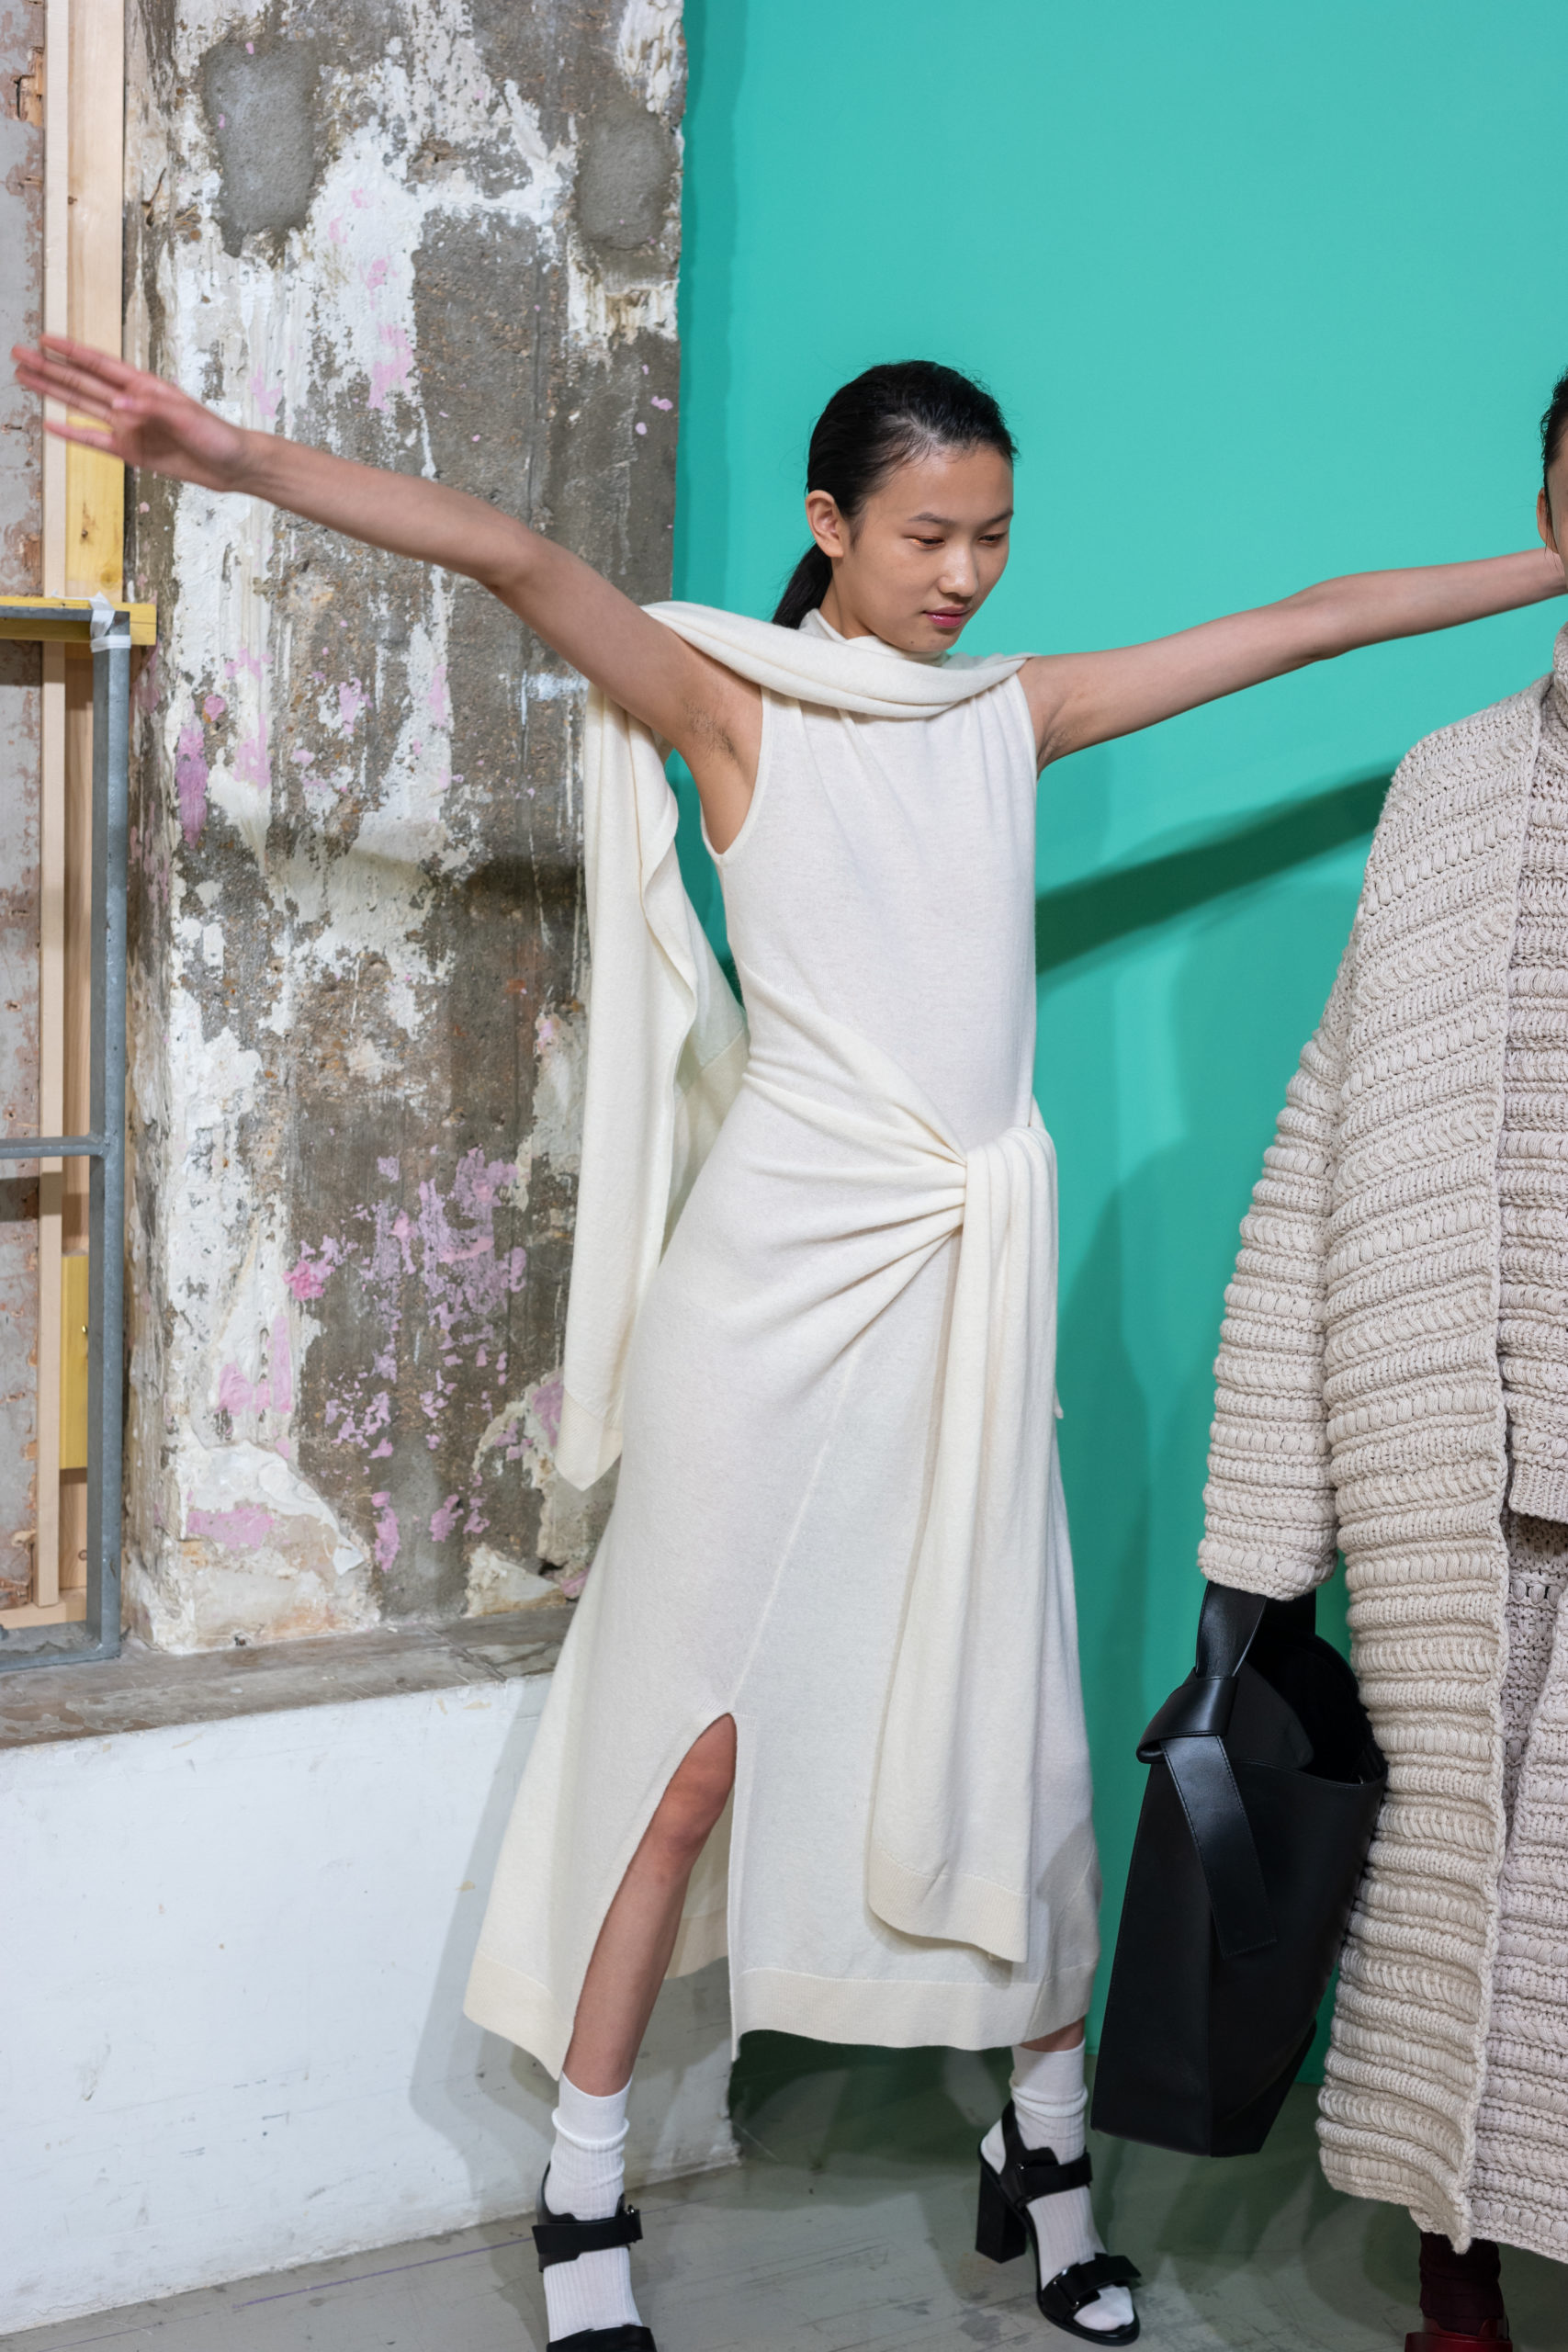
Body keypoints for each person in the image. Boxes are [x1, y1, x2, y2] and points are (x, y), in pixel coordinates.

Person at [14, 331, 1561, 2352]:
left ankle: (1045, 2155)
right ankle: (581, 2186)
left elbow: (1311, 619)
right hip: (767, 1301)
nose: (965, 575)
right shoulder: (735, 711)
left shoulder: (1007, 715)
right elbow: (511, 553)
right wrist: (225, 452)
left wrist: (1552, 567)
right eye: (927, 536)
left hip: (963, 1296)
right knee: (688, 1751)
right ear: (830, 524)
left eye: (994, 536)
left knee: (1011, 1739)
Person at [1196, 368, 1568, 2352]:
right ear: (1549, 517)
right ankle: (1456, 2286)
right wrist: (1260, 1536)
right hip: (1454, 1461)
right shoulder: (1448, 784)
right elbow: (1327, 1133)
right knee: (1446, 1904)